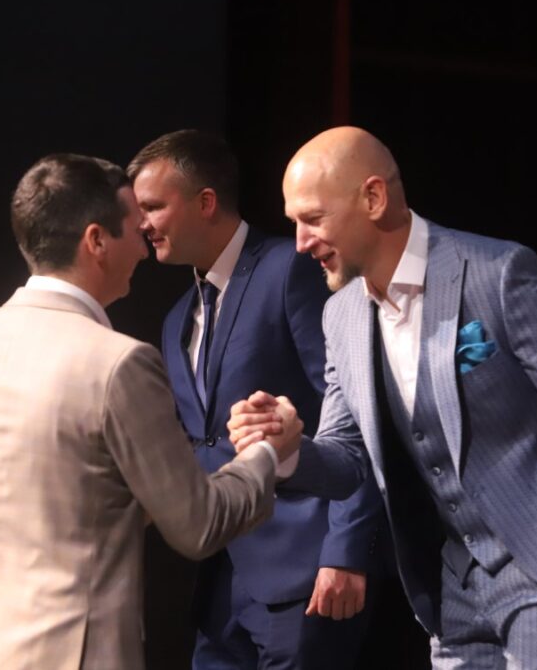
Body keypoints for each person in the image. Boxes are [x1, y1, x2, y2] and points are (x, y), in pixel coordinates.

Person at [229, 127, 537, 670]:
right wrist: (288, 447)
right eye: (294, 222)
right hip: (453, 588)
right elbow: (347, 460)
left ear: (373, 198)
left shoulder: (498, 273)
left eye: (313, 219)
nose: (300, 242)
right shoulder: (340, 315)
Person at [0, 153, 296, 670]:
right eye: (134, 230)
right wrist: (265, 453)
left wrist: (15, 533)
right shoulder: (119, 364)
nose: (144, 247)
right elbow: (199, 525)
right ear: (97, 241)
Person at [129, 130, 385, 670]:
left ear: (206, 202)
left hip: (305, 574)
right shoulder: (176, 319)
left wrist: (346, 551)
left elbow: (356, 414)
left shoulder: (290, 268)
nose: (141, 224)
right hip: (218, 583)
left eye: (152, 207)